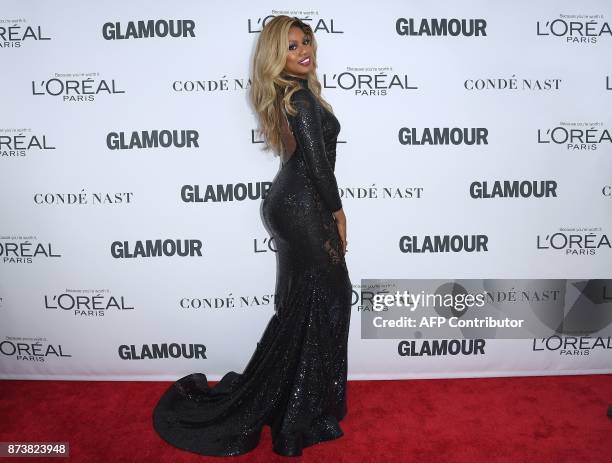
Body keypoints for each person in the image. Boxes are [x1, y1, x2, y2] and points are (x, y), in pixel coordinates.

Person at [152, 15, 352, 457]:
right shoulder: (298, 95)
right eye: (291, 45)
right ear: (274, 56)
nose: (304, 51)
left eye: (306, 42)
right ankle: (301, 410)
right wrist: (338, 213)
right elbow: (318, 167)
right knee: (329, 297)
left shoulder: (291, 94)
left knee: (309, 301)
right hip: (304, 206)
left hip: (290, 203)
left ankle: (298, 398)